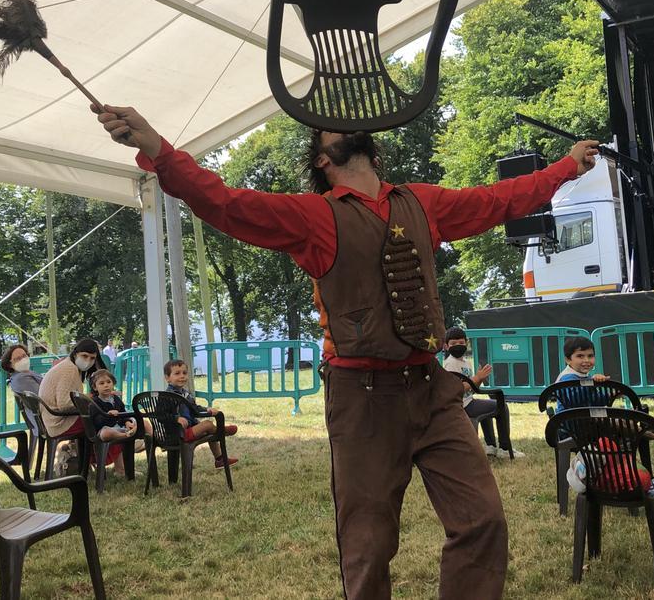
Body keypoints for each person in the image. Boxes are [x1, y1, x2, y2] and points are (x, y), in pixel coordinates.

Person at [95, 100, 600, 599]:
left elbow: (500, 199)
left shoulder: (423, 202)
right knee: (369, 544)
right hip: (362, 398)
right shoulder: (313, 216)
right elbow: (224, 202)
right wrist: (156, 148)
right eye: (324, 129)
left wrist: (565, 167)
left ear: (372, 150)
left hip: (432, 391)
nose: (337, 122)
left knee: (483, 521)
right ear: (323, 159)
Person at [442, 327, 522, 459]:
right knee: (502, 406)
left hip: (468, 401)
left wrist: (480, 379)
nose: (458, 346)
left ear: (466, 343)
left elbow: (472, 388)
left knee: (487, 406)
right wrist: (477, 377)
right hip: (461, 406)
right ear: (446, 346)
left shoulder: (466, 363)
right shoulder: (450, 364)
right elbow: (457, 389)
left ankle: (491, 446)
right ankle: (504, 448)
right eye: (453, 344)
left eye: (461, 343)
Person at [38, 338, 108, 473]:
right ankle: (117, 466)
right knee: (106, 421)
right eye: (84, 356)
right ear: (76, 353)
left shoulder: (69, 365)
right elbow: (64, 404)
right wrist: (91, 399)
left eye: (92, 358)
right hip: (59, 423)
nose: (88, 361)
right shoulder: (69, 370)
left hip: (52, 420)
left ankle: (89, 464)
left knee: (100, 418)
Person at [164, 360, 237, 469]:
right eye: (177, 373)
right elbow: (160, 414)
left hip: (189, 429)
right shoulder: (167, 396)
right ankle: (221, 430)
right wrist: (176, 419)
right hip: (177, 433)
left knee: (208, 428)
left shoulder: (186, 394)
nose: (182, 376)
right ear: (167, 378)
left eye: (184, 373)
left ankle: (219, 459)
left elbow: (195, 409)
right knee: (207, 424)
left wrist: (207, 409)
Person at [87, 369, 141, 475]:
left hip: (119, 428)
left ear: (113, 383)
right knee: (107, 432)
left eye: (108, 382)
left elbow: (123, 413)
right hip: (103, 431)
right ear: (95, 387)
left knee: (141, 422)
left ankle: (149, 437)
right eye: (101, 383)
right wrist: (108, 415)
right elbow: (96, 422)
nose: (106, 385)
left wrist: (127, 422)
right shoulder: (95, 402)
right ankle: (128, 436)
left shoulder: (116, 399)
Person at [553, 337, 609, 413]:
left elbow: (596, 401)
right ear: (568, 360)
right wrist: (592, 383)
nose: (586, 360)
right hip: (570, 421)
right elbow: (576, 400)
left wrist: (609, 396)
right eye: (580, 356)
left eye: (590, 356)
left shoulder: (584, 376)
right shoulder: (567, 377)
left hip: (587, 419)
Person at [1, 343, 43, 431]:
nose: (23, 360)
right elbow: (44, 395)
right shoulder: (21, 379)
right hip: (46, 420)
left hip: (44, 418)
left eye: (24, 356)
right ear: (10, 364)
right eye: (17, 359)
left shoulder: (24, 374)